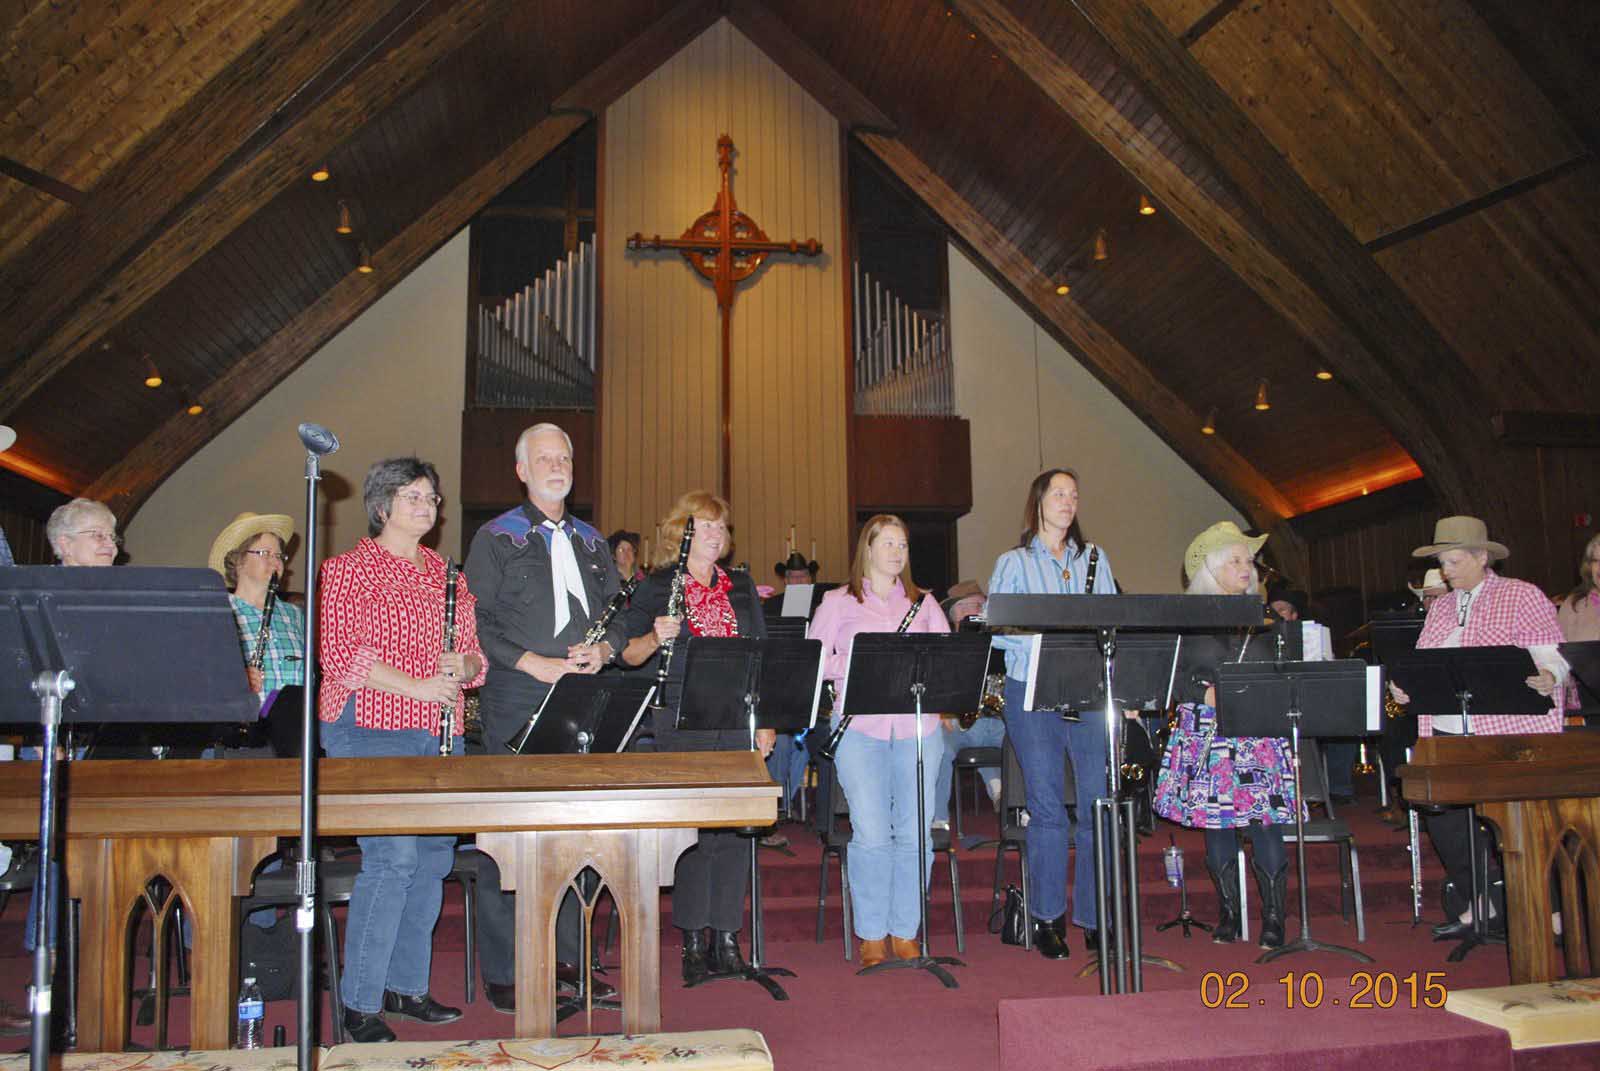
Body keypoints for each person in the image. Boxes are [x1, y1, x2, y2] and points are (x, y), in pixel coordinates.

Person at [318, 457, 486, 1042]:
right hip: (368, 725)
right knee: (392, 860)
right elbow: (341, 655)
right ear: (381, 505)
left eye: (431, 497)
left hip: (438, 730)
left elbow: (477, 660)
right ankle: (359, 1001)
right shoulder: (347, 569)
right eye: (411, 495)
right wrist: (418, 685)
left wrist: (464, 664)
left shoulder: (447, 575)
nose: (425, 505)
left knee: (434, 860)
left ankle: (406, 986)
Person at [463, 423, 625, 1012]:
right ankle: (508, 968)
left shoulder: (592, 542)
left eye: (564, 458)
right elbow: (475, 620)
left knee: (577, 834)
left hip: (582, 697)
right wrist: (530, 661)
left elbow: (620, 615)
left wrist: (605, 651)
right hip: (517, 695)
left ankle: (570, 961)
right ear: (522, 471)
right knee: (511, 835)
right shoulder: (495, 538)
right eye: (544, 459)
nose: (557, 466)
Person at [620, 490, 774, 984]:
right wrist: (654, 637)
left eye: (720, 526)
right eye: (704, 525)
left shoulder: (740, 585)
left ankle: (726, 936)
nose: (715, 534)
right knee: (693, 833)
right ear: (680, 533)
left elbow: (761, 654)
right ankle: (691, 937)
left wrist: (765, 720)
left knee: (733, 833)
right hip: (682, 721)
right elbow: (627, 652)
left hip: (737, 719)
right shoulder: (658, 585)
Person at [1388, 516, 1566, 938]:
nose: (1446, 571)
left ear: (1482, 557)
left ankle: (1550, 911)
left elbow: (1552, 656)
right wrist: (1406, 689)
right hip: (1446, 731)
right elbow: (1425, 664)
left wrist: (1549, 676)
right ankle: (1481, 899)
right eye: (1442, 562)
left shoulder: (1522, 595)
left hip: (1505, 731)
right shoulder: (1441, 608)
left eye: (1453, 561)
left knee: (1519, 824)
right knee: (1444, 819)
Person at [807, 515, 949, 967]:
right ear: (866, 549)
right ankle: (871, 933)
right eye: (887, 543)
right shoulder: (837, 602)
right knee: (870, 832)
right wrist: (852, 664)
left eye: (902, 545)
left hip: (918, 731)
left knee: (915, 833)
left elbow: (946, 660)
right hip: (860, 732)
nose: (896, 552)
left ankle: (905, 930)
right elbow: (812, 661)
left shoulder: (925, 604)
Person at [987, 468, 1118, 959]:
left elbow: (1112, 623)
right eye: (1058, 493)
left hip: (1087, 689)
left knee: (1096, 805)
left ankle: (1094, 918)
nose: (1067, 501)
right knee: (1046, 808)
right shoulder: (1014, 562)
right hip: (1032, 691)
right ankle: (1047, 918)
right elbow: (997, 631)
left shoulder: (1095, 559)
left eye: (1074, 494)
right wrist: (1047, 639)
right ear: (1038, 501)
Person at [1152, 522, 1295, 948]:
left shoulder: (1268, 619)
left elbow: (1288, 670)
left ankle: (1274, 917)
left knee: (1266, 824)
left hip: (1258, 732)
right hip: (1207, 733)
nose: (1246, 568)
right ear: (1211, 569)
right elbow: (1172, 676)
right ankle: (1229, 912)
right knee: (1217, 826)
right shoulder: (1188, 619)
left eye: (1248, 560)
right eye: (1235, 560)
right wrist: (1204, 692)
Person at [209, 513, 306, 742]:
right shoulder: (217, 613)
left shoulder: (295, 615)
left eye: (279, 555)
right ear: (238, 560)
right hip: (243, 738)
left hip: (296, 737)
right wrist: (236, 679)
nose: (276, 562)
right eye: (265, 553)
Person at [933, 581, 1003, 828]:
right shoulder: (942, 648)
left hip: (996, 722)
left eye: (981, 606)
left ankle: (1018, 807)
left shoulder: (1002, 645)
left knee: (1026, 740)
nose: (978, 611)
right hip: (957, 726)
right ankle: (938, 819)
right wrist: (940, 712)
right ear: (956, 615)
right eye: (971, 607)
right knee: (937, 748)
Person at [47, 498, 120, 566]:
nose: (112, 545)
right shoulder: (44, 576)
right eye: (99, 536)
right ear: (65, 545)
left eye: (113, 538)